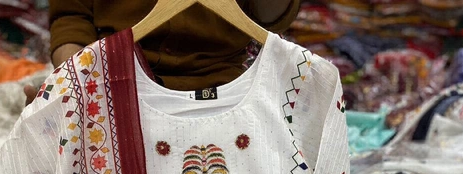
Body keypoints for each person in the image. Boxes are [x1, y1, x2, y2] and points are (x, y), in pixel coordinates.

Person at [24, 0, 301, 102]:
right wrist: (75, 82)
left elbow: (272, 17)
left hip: (222, 86)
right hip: (113, 82)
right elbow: (71, 18)